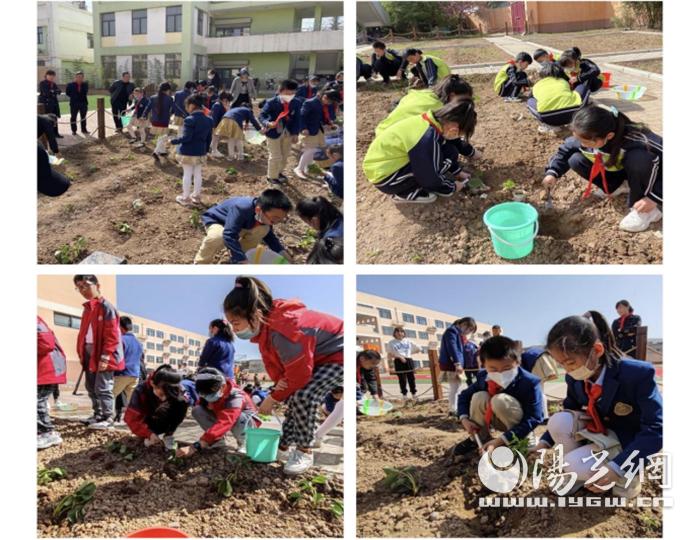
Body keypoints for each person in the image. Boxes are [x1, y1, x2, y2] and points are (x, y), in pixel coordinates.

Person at [530, 312, 662, 498]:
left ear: (597, 350)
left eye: (570, 362)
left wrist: (618, 467)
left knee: (572, 465)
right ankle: (579, 475)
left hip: (626, 440)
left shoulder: (636, 375)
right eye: (561, 364)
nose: (567, 370)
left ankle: (627, 477)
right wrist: (544, 442)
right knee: (559, 421)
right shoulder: (575, 378)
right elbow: (571, 409)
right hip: (599, 435)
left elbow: (656, 428)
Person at [222, 276, 344, 475]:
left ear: (255, 315)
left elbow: (300, 375)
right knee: (294, 397)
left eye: (236, 323)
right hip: (321, 357)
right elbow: (278, 366)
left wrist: (271, 399)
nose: (234, 330)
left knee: (305, 395)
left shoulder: (285, 329)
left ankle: (304, 452)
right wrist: (280, 388)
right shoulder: (267, 329)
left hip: (341, 355)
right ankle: (284, 446)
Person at [542, 105, 663, 232]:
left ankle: (646, 211)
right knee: (575, 159)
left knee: (639, 159)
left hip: (650, 175)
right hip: (622, 172)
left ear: (609, 136)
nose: (582, 144)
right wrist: (552, 172)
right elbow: (565, 150)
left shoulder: (640, 139)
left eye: (587, 142)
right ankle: (618, 186)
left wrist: (654, 198)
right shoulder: (586, 135)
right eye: (579, 139)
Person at [363, 99, 476, 204]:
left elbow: (446, 150)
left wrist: (457, 172)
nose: (457, 136)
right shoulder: (426, 138)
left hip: (386, 164)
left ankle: (437, 181)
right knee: (430, 189)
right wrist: (451, 187)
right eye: (460, 134)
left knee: (449, 150)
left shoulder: (430, 121)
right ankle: (405, 193)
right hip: (386, 178)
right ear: (454, 129)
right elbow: (428, 175)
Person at [452, 336, 544, 459]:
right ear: (483, 364)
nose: (500, 373)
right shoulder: (483, 377)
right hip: (495, 419)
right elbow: (464, 396)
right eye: (493, 369)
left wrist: (501, 441)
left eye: (507, 368)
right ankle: (479, 438)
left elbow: (534, 417)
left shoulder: (529, 382)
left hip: (520, 424)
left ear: (517, 362)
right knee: (479, 396)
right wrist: (464, 419)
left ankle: (520, 440)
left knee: (499, 400)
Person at [375, 75, 478, 162]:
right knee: (449, 151)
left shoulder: (423, 93)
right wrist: (471, 153)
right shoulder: (437, 108)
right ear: (452, 95)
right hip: (395, 149)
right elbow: (450, 137)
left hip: (383, 137)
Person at [75, 275, 124, 429]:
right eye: (79, 287)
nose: (83, 290)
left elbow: (112, 335)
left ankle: (108, 417)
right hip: (89, 352)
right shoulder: (87, 309)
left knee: (103, 386)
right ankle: (98, 415)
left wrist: (105, 356)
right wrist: (82, 353)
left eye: (86, 285)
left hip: (103, 353)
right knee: (90, 386)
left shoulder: (106, 307)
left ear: (98, 285)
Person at [195, 189, 293, 264]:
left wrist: (281, 252)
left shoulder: (264, 216)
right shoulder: (242, 208)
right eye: (275, 218)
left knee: (263, 230)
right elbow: (229, 234)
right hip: (220, 221)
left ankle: (239, 259)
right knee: (217, 237)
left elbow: (269, 237)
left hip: (240, 226)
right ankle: (200, 264)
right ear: (259, 210)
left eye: (280, 219)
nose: (276, 221)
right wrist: (241, 259)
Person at [177, 368, 258, 457]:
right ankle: (218, 443)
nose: (206, 397)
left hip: (246, 422)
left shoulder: (236, 397)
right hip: (222, 416)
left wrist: (196, 446)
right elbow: (200, 404)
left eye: (209, 394)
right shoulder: (207, 392)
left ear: (222, 387)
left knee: (239, 417)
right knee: (197, 410)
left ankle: (244, 442)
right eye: (203, 395)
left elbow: (226, 422)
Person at [124, 364, 190, 450]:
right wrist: (148, 433)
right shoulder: (141, 390)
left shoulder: (178, 388)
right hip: (148, 422)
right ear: (152, 384)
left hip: (164, 420)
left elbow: (185, 403)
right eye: (162, 394)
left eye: (168, 395)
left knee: (181, 403)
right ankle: (150, 435)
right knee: (149, 440)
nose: (164, 399)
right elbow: (132, 418)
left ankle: (168, 435)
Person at [170, 93, 214, 206]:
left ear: (192, 105)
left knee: (187, 173)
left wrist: (172, 141)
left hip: (188, 151)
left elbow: (186, 138)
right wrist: (206, 150)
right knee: (198, 173)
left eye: (187, 105)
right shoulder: (209, 120)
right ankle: (196, 196)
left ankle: (185, 198)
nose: (186, 108)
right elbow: (209, 138)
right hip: (201, 151)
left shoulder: (190, 119)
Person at [259, 79, 302, 185]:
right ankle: (272, 177)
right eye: (288, 93)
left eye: (293, 93)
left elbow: (297, 119)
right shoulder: (272, 102)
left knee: (285, 155)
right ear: (280, 91)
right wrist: (268, 123)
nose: (290, 95)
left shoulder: (296, 102)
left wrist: (296, 133)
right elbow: (262, 115)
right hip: (273, 131)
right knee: (275, 156)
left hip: (288, 132)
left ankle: (278, 172)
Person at [294, 89, 342, 179]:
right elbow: (301, 116)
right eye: (330, 101)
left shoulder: (321, 104)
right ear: (325, 97)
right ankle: (299, 169)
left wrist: (329, 124)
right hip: (308, 130)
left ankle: (307, 169)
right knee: (310, 150)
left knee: (312, 150)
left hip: (316, 129)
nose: (330, 103)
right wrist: (303, 128)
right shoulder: (310, 103)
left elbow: (322, 117)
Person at [528, 62, 588, 132]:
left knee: (530, 100)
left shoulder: (537, 85)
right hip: (573, 113)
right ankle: (583, 115)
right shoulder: (563, 81)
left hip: (547, 117)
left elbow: (531, 97)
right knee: (582, 86)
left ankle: (548, 126)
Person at [38, 316, 68, 449]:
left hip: (46, 368)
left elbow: (46, 343)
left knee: (37, 401)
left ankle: (46, 432)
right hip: (44, 369)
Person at [439, 317, 478, 414]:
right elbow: (452, 347)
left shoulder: (457, 333)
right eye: (469, 329)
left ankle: (453, 408)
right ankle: (453, 409)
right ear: (464, 324)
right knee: (455, 387)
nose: (468, 332)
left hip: (455, 364)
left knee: (456, 387)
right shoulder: (452, 331)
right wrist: (457, 363)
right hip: (452, 364)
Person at [113, 316, 143, 424]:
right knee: (133, 401)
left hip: (122, 372)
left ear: (120, 327)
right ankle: (136, 421)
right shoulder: (139, 343)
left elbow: (118, 357)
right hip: (135, 374)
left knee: (110, 395)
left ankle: (108, 419)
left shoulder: (121, 340)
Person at [520, 346, 559, 421]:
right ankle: (544, 415)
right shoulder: (539, 351)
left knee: (538, 391)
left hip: (536, 362)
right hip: (541, 359)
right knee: (540, 391)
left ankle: (543, 416)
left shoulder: (525, 355)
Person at [387, 327, 421, 400]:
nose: (400, 333)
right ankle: (404, 395)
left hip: (408, 360)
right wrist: (399, 357)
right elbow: (390, 354)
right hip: (398, 361)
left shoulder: (408, 341)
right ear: (394, 333)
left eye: (401, 331)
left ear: (404, 333)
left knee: (411, 378)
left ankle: (414, 394)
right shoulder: (391, 342)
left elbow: (419, 348)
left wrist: (410, 353)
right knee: (402, 379)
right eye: (397, 331)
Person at [149, 82, 175, 163]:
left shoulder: (152, 97)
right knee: (163, 136)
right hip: (164, 120)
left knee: (161, 135)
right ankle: (156, 152)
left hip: (155, 120)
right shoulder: (169, 98)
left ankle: (162, 151)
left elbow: (148, 107)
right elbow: (173, 109)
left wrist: (144, 115)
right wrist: (170, 115)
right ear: (167, 90)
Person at [208, 91, 233, 157]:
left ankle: (213, 149)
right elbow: (214, 117)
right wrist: (214, 127)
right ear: (224, 99)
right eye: (228, 101)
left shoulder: (221, 105)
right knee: (215, 137)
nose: (228, 103)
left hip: (218, 124)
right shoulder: (217, 105)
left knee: (216, 138)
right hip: (215, 125)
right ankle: (214, 151)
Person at [38, 70, 62, 137]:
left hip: (54, 104)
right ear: (46, 75)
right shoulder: (42, 83)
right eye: (50, 75)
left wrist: (53, 91)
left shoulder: (53, 84)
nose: (51, 77)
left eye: (53, 76)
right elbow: (46, 93)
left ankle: (56, 133)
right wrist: (54, 91)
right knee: (48, 120)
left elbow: (59, 91)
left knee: (55, 119)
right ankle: (49, 135)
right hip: (46, 105)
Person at [65, 71, 89, 135]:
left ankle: (84, 129)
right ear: (75, 77)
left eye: (81, 77)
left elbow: (85, 92)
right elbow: (67, 93)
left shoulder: (85, 84)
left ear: (83, 78)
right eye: (78, 77)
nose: (79, 78)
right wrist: (74, 97)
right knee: (73, 117)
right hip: (74, 103)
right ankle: (74, 130)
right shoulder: (70, 85)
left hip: (83, 103)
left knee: (83, 117)